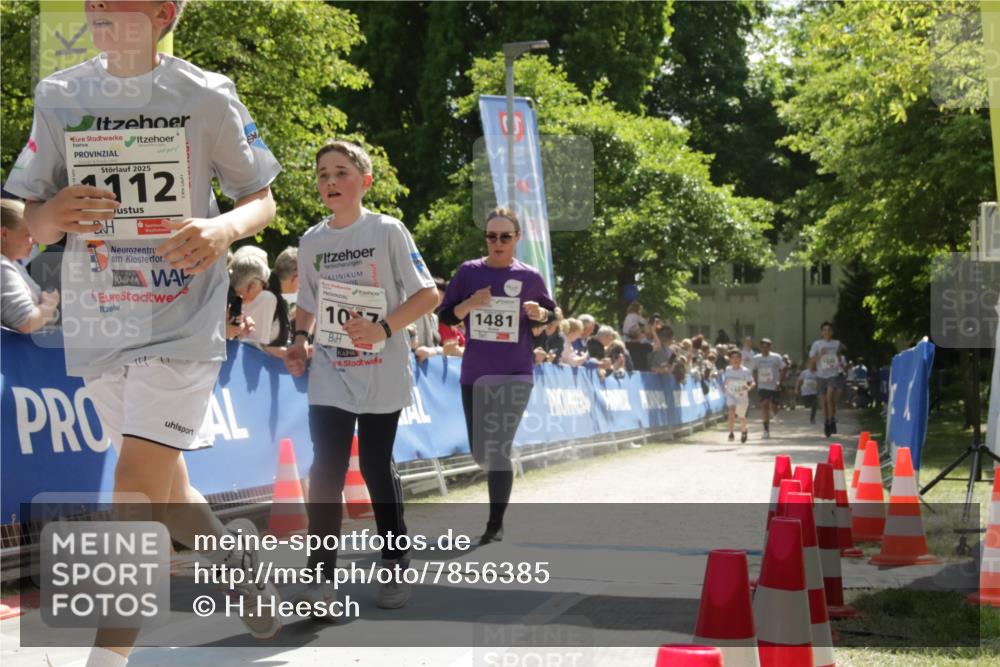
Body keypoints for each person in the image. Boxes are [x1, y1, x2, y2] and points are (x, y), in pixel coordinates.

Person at [4, 1, 285, 662]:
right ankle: (242, 567)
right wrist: (51, 217)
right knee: (170, 493)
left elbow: (261, 198)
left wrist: (221, 230)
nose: (97, 5)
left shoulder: (207, 95)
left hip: (182, 317)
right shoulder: (61, 92)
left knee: (133, 487)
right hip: (101, 319)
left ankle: (108, 658)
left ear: (163, 11)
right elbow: (31, 219)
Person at [284, 139, 438, 613]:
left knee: (374, 465)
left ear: (364, 181)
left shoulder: (387, 230)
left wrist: (383, 328)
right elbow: (308, 302)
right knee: (325, 467)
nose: (330, 181)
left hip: (382, 367)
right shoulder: (312, 241)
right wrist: (299, 338)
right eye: (323, 174)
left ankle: (393, 560)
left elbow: (428, 295)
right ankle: (320, 578)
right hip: (331, 368)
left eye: (341, 172)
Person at [438, 207, 556, 544]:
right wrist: (469, 304)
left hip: (516, 372)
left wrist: (540, 313)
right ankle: (498, 481)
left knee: (499, 446)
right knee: (481, 453)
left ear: (517, 238)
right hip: (475, 372)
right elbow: (446, 316)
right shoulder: (469, 272)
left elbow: (550, 316)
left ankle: (494, 524)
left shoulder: (530, 277)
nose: (498, 242)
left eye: (505, 236)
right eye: (492, 236)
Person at [1, 199, 59, 333]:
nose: (35, 241)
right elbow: (26, 322)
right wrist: (51, 303)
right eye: (28, 234)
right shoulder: (2, 266)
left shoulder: (13, 263)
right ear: (4, 234)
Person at [808, 321, 847, 436]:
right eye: (824, 330)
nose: (827, 332)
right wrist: (820, 354)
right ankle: (827, 421)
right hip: (820, 375)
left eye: (829, 330)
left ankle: (831, 420)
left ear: (832, 332)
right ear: (821, 332)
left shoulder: (837, 343)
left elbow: (843, 353)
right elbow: (811, 360)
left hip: (833, 374)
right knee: (823, 401)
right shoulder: (817, 344)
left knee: (830, 398)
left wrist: (840, 359)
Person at [751, 338, 786, 439]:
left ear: (770, 347)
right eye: (762, 347)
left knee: (774, 405)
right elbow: (754, 370)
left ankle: (775, 414)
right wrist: (755, 381)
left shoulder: (776, 357)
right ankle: (766, 430)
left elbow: (784, 368)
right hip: (763, 385)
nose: (764, 349)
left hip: (774, 385)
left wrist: (780, 381)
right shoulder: (756, 358)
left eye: (767, 347)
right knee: (764, 405)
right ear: (760, 348)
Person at [724, 348, 754, 443]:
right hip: (731, 394)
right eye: (733, 358)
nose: (735, 360)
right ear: (730, 360)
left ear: (741, 359)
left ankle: (744, 430)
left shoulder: (745, 371)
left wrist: (749, 388)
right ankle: (731, 433)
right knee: (731, 410)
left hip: (742, 396)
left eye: (737, 357)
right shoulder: (728, 369)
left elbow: (753, 383)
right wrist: (725, 386)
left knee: (741, 416)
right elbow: (726, 381)